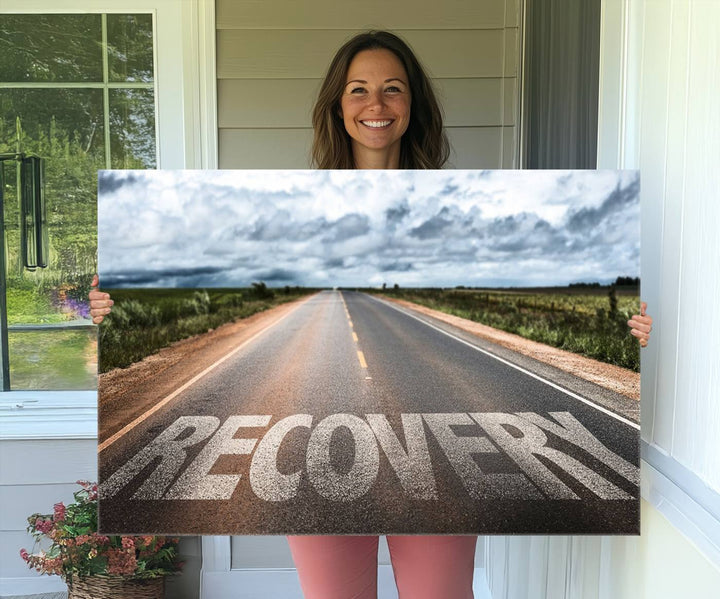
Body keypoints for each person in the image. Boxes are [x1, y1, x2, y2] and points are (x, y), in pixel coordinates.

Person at [89, 30, 653, 599]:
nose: (376, 105)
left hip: (437, 447)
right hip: (317, 445)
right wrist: (118, 304)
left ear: (413, 105)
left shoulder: (454, 207)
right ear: (338, 105)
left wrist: (622, 328)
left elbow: (507, 271)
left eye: (392, 89)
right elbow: (221, 265)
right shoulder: (294, 207)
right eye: (358, 90)